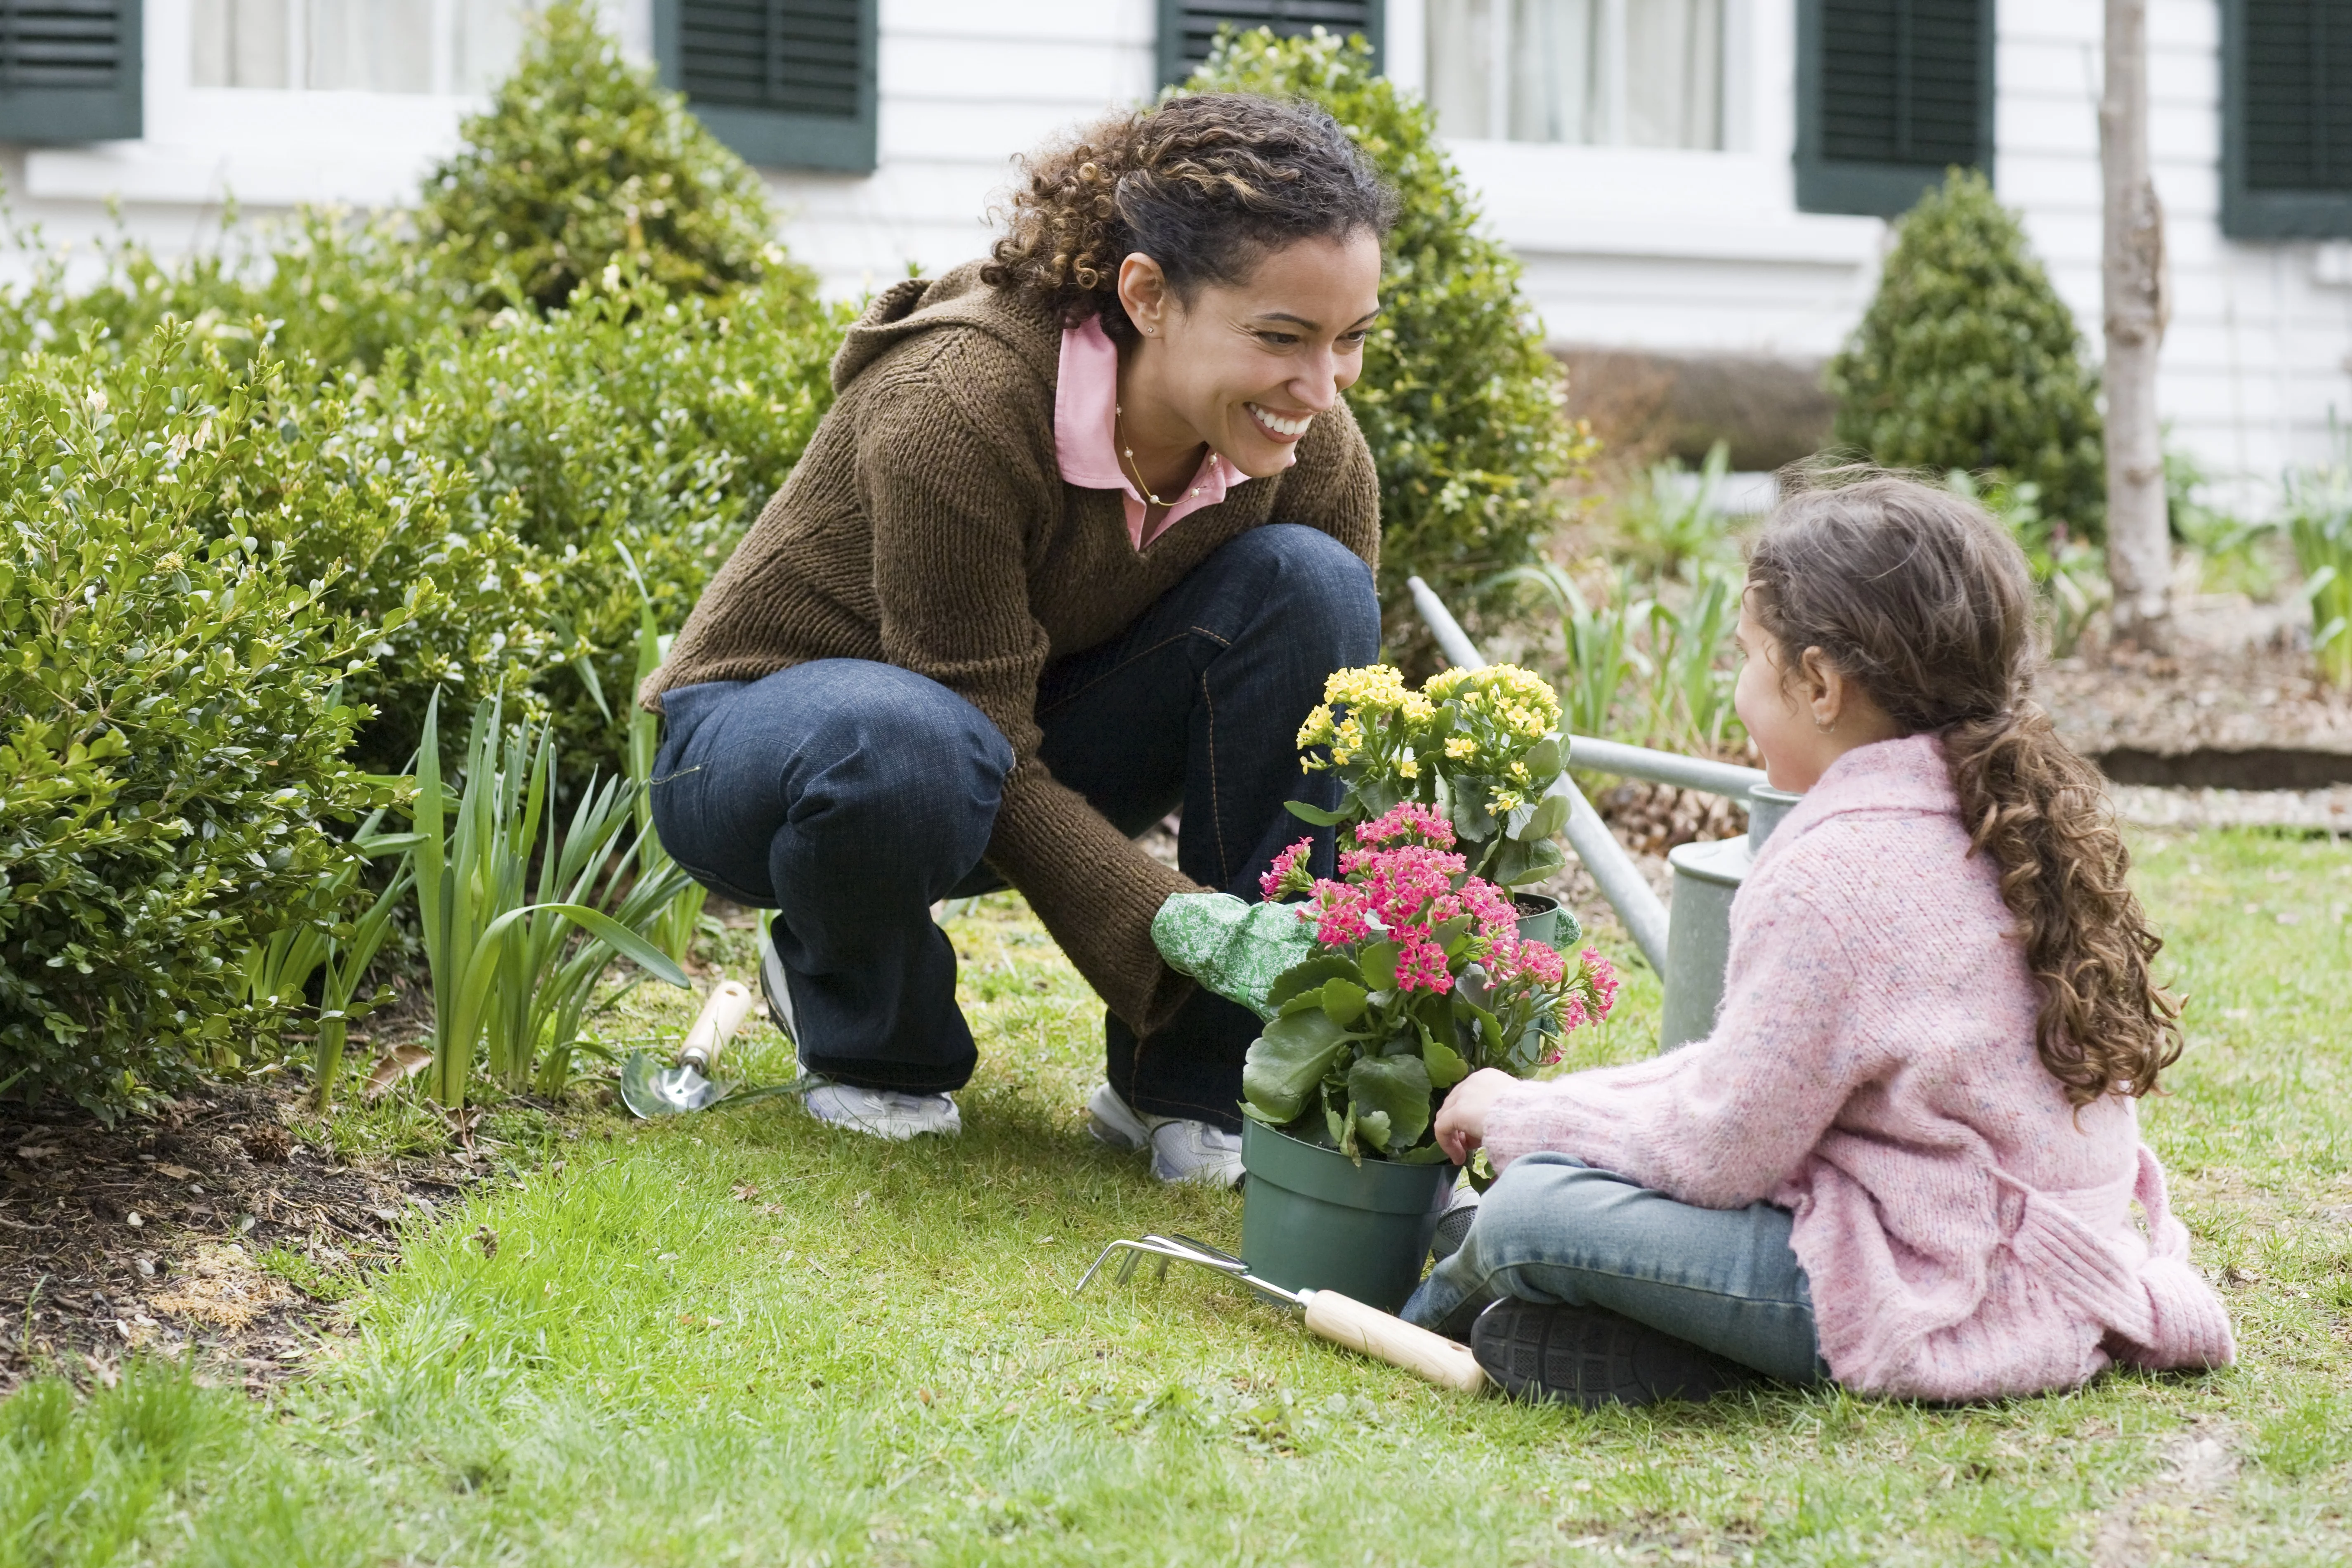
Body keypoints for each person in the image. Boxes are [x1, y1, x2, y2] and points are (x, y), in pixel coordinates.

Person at [639, 94, 1397, 1185]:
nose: (1321, 387)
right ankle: (863, 1024)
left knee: (1314, 587)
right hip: (770, 746)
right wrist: (1195, 936)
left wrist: (1385, 943)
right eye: (1281, 338)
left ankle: (1193, 1086)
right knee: (907, 738)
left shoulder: (1304, 438)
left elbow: (1333, 736)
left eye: (1351, 340)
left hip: (996, 736)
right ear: (1145, 294)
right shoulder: (960, 403)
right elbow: (976, 733)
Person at [1412, 473, 2236, 1406]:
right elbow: (1745, 1075)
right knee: (1563, 1196)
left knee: (1527, 1213)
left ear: (1818, 683)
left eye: (1749, 659)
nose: (1737, 692)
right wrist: (1554, 1103)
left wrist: (1530, 1120)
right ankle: (1637, 1343)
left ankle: (1419, 1307)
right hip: (2010, 1252)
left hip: (1944, 1289)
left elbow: (1723, 1149)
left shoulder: (1837, 872)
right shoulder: (1992, 808)